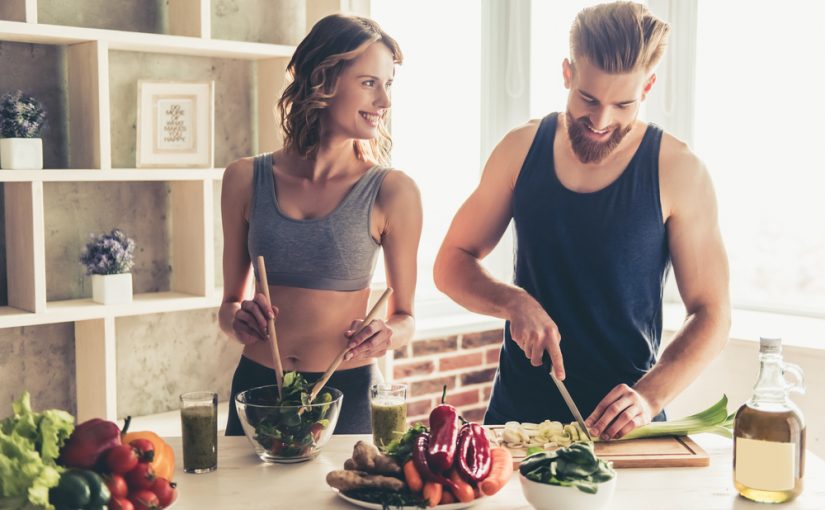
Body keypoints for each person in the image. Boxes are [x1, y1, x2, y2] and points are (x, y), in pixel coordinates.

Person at [433, 1, 730, 440]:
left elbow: (712, 313)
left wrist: (649, 397)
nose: (601, 120)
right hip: (516, 422)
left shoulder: (679, 170)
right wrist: (512, 301)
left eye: (623, 104)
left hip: (622, 430)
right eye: (588, 99)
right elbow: (450, 263)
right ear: (567, 74)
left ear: (646, 88)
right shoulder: (519, 150)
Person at [219, 14, 422, 435]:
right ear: (322, 80)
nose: (384, 101)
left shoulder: (393, 192)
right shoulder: (243, 178)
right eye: (369, 83)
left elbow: (405, 317)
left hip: (346, 393)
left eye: (388, 85)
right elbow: (228, 308)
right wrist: (238, 319)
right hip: (257, 389)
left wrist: (387, 334)